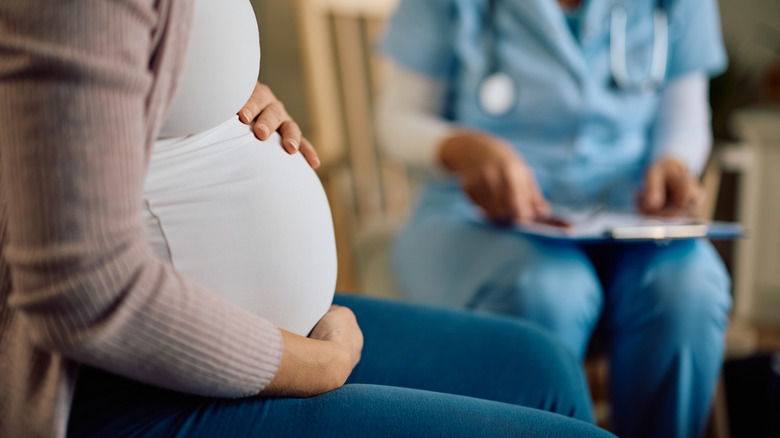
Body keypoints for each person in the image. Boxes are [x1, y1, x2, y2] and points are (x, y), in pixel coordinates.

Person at [0, 1, 618, 437]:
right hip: (121, 383)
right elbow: (81, 294)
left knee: (543, 367)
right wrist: (313, 366)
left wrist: (215, 92)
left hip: (256, 335)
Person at [375, 0, 732, 437]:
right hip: (472, 215)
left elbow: (685, 116)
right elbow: (397, 119)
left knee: (690, 288)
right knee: (550, 290)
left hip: (625, 214)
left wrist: (675, 162)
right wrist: (458, 147)